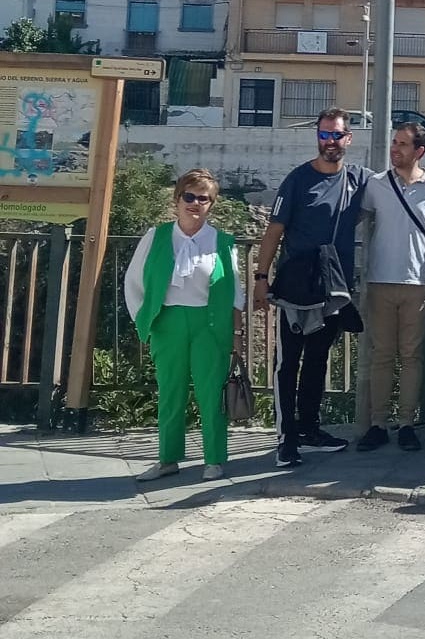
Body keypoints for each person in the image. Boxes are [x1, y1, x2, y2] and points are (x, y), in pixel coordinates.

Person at [254, 109, 369, 468]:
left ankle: (310, 429)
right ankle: (286, 438)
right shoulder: (298, 180)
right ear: (316, 138)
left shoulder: (359, 180)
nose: (330, 142)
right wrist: (261, 279)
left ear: (348, 139)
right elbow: (274, 231)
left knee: (319, 361)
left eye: (336, 136)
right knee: (288, 364)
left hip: (332, 288)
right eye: (324, 135)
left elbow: (401, 184)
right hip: (296, 288)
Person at [124, 169, 245, 482]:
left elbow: (235, 293)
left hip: (210, 323)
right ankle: (167, 459)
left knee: (211, 394)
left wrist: (236, 335)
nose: (195, 203)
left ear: (211, 204)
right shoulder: (157, 236)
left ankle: (214, 460)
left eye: (203, 198)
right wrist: (146, 321)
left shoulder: (223, 242)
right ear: (177, 200)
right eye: (189, 196)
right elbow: (134, 281)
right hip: (169, 322)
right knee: (171, 392)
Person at [355, 122, 425, 454]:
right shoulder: (376, 184)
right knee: (381, 355)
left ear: (419, 151)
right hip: (380, 281)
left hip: (417, 283)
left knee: (412, 357)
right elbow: (354, 216)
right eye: (394, 142)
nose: (395, 149)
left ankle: (407, 423)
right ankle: (378, 423)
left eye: (402, 144)